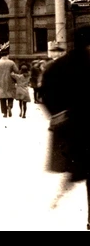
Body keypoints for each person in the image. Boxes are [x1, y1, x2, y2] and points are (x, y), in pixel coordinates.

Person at [39, 23, 90, 230]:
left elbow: (46, 95)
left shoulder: (58, 66)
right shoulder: (70, 65)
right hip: (81, 129)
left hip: (75, 130)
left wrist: (59, 116)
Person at [0, 43, 20, 118]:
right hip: (10, 81)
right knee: (11, 95)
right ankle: (10, 107)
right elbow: (17, 71)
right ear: (7, 55)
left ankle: (4, 112)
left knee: (2, 97)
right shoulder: (11, 62)